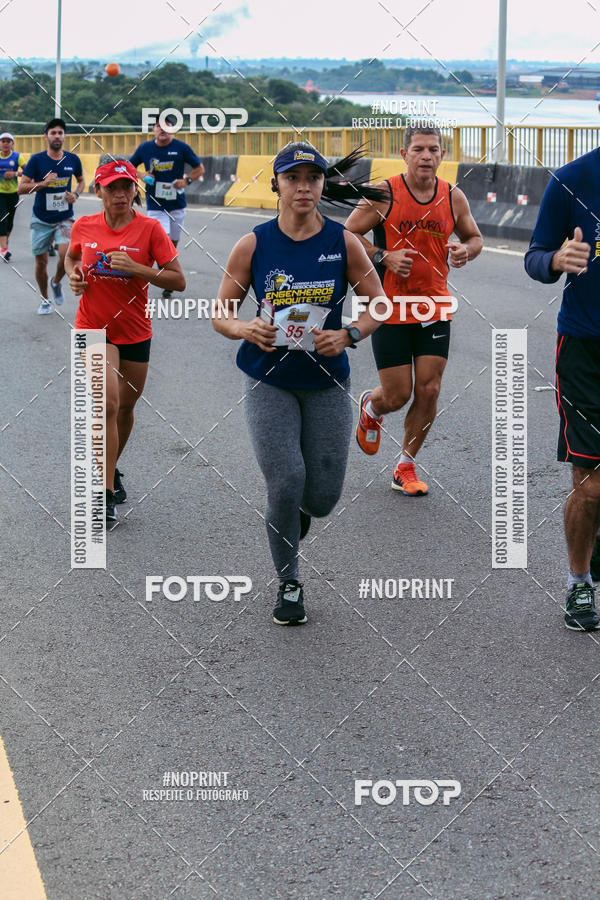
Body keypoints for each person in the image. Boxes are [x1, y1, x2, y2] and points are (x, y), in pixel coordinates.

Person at [213, 142, 387, 626]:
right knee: (286, 481)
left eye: (313, 178)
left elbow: (379, 303)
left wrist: (348, 333)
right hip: (268, 378)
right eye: (293, 178)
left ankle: (297, 515)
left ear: (321, 186)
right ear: (277, 186)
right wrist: (246, 327)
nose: (304, 187)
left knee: (323, 497)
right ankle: (289, 582)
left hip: (327, 380)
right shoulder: (254, 244)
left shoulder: (343, 243)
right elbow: (220, 313)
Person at [346, 124, 483, 496]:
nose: (427, 156)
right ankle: (373, 407)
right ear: (404, 154)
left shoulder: (453, 197)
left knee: (430, 388)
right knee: (398, 394)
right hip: (389, 305)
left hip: (434, 304)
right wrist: (384, 255)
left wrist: (466, 251)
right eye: (419, 149)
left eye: (434, 150)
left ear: (442, 155)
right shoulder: (383, 194)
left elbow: (474, 237)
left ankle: (405, 464)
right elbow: (349, 234)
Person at [65, 159, 185, 522]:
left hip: (134, 331)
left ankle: (110, 466)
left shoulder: (149, 229)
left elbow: (178, 281)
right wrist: (74, 277)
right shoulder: (84, 225)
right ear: (98, 191)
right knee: (106, 403)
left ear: (136, 189)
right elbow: (72, 258)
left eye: (126, 187)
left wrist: (137, 269)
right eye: (111, 188)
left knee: (126, 410)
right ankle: (104, 493)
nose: (120, 194)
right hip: (92, 326)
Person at [525, 148, 600, 631]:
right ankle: (579, 582)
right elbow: (533, 258)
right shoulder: (572, 180)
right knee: (592, 486)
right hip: (585, 350)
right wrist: (557, 258)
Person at [130, 115, 204, 298]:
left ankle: (166, 270)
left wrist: (186, 180)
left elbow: (199, 168)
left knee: (172, 242)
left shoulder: (181, 148)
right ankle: (167, 276)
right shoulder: (145, 148)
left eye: (167, 125)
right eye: (158, 126)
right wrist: (142, 175)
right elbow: (128, 166)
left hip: (177, 203)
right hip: (155, 204)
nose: (162, 129)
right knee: (162, 238)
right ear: (154, 129)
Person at [18, 118, 85, 315]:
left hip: (64, 217)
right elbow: (21, 188)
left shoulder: (72, 159)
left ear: (64, 136)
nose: (57, 136)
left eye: (60, 133)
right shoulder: (37, 160)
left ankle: (56, 282)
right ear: (46, 136)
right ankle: (45, 298)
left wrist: (76, 195)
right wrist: (43, 184)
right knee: (41, 262)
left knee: (66, 256)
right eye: (53, 133)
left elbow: (81, 181)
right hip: (41, 219)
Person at [0, 132, 26, 262]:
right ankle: (4, 250)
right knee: (2, 220)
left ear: (12, 144)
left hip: (13, 194)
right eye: (3, 141)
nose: (5, 143)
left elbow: (28, 171)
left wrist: (15, 173)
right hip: (0, 194)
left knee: (9, 222)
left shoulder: (17, 157)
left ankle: (4, 242)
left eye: (7, 141)